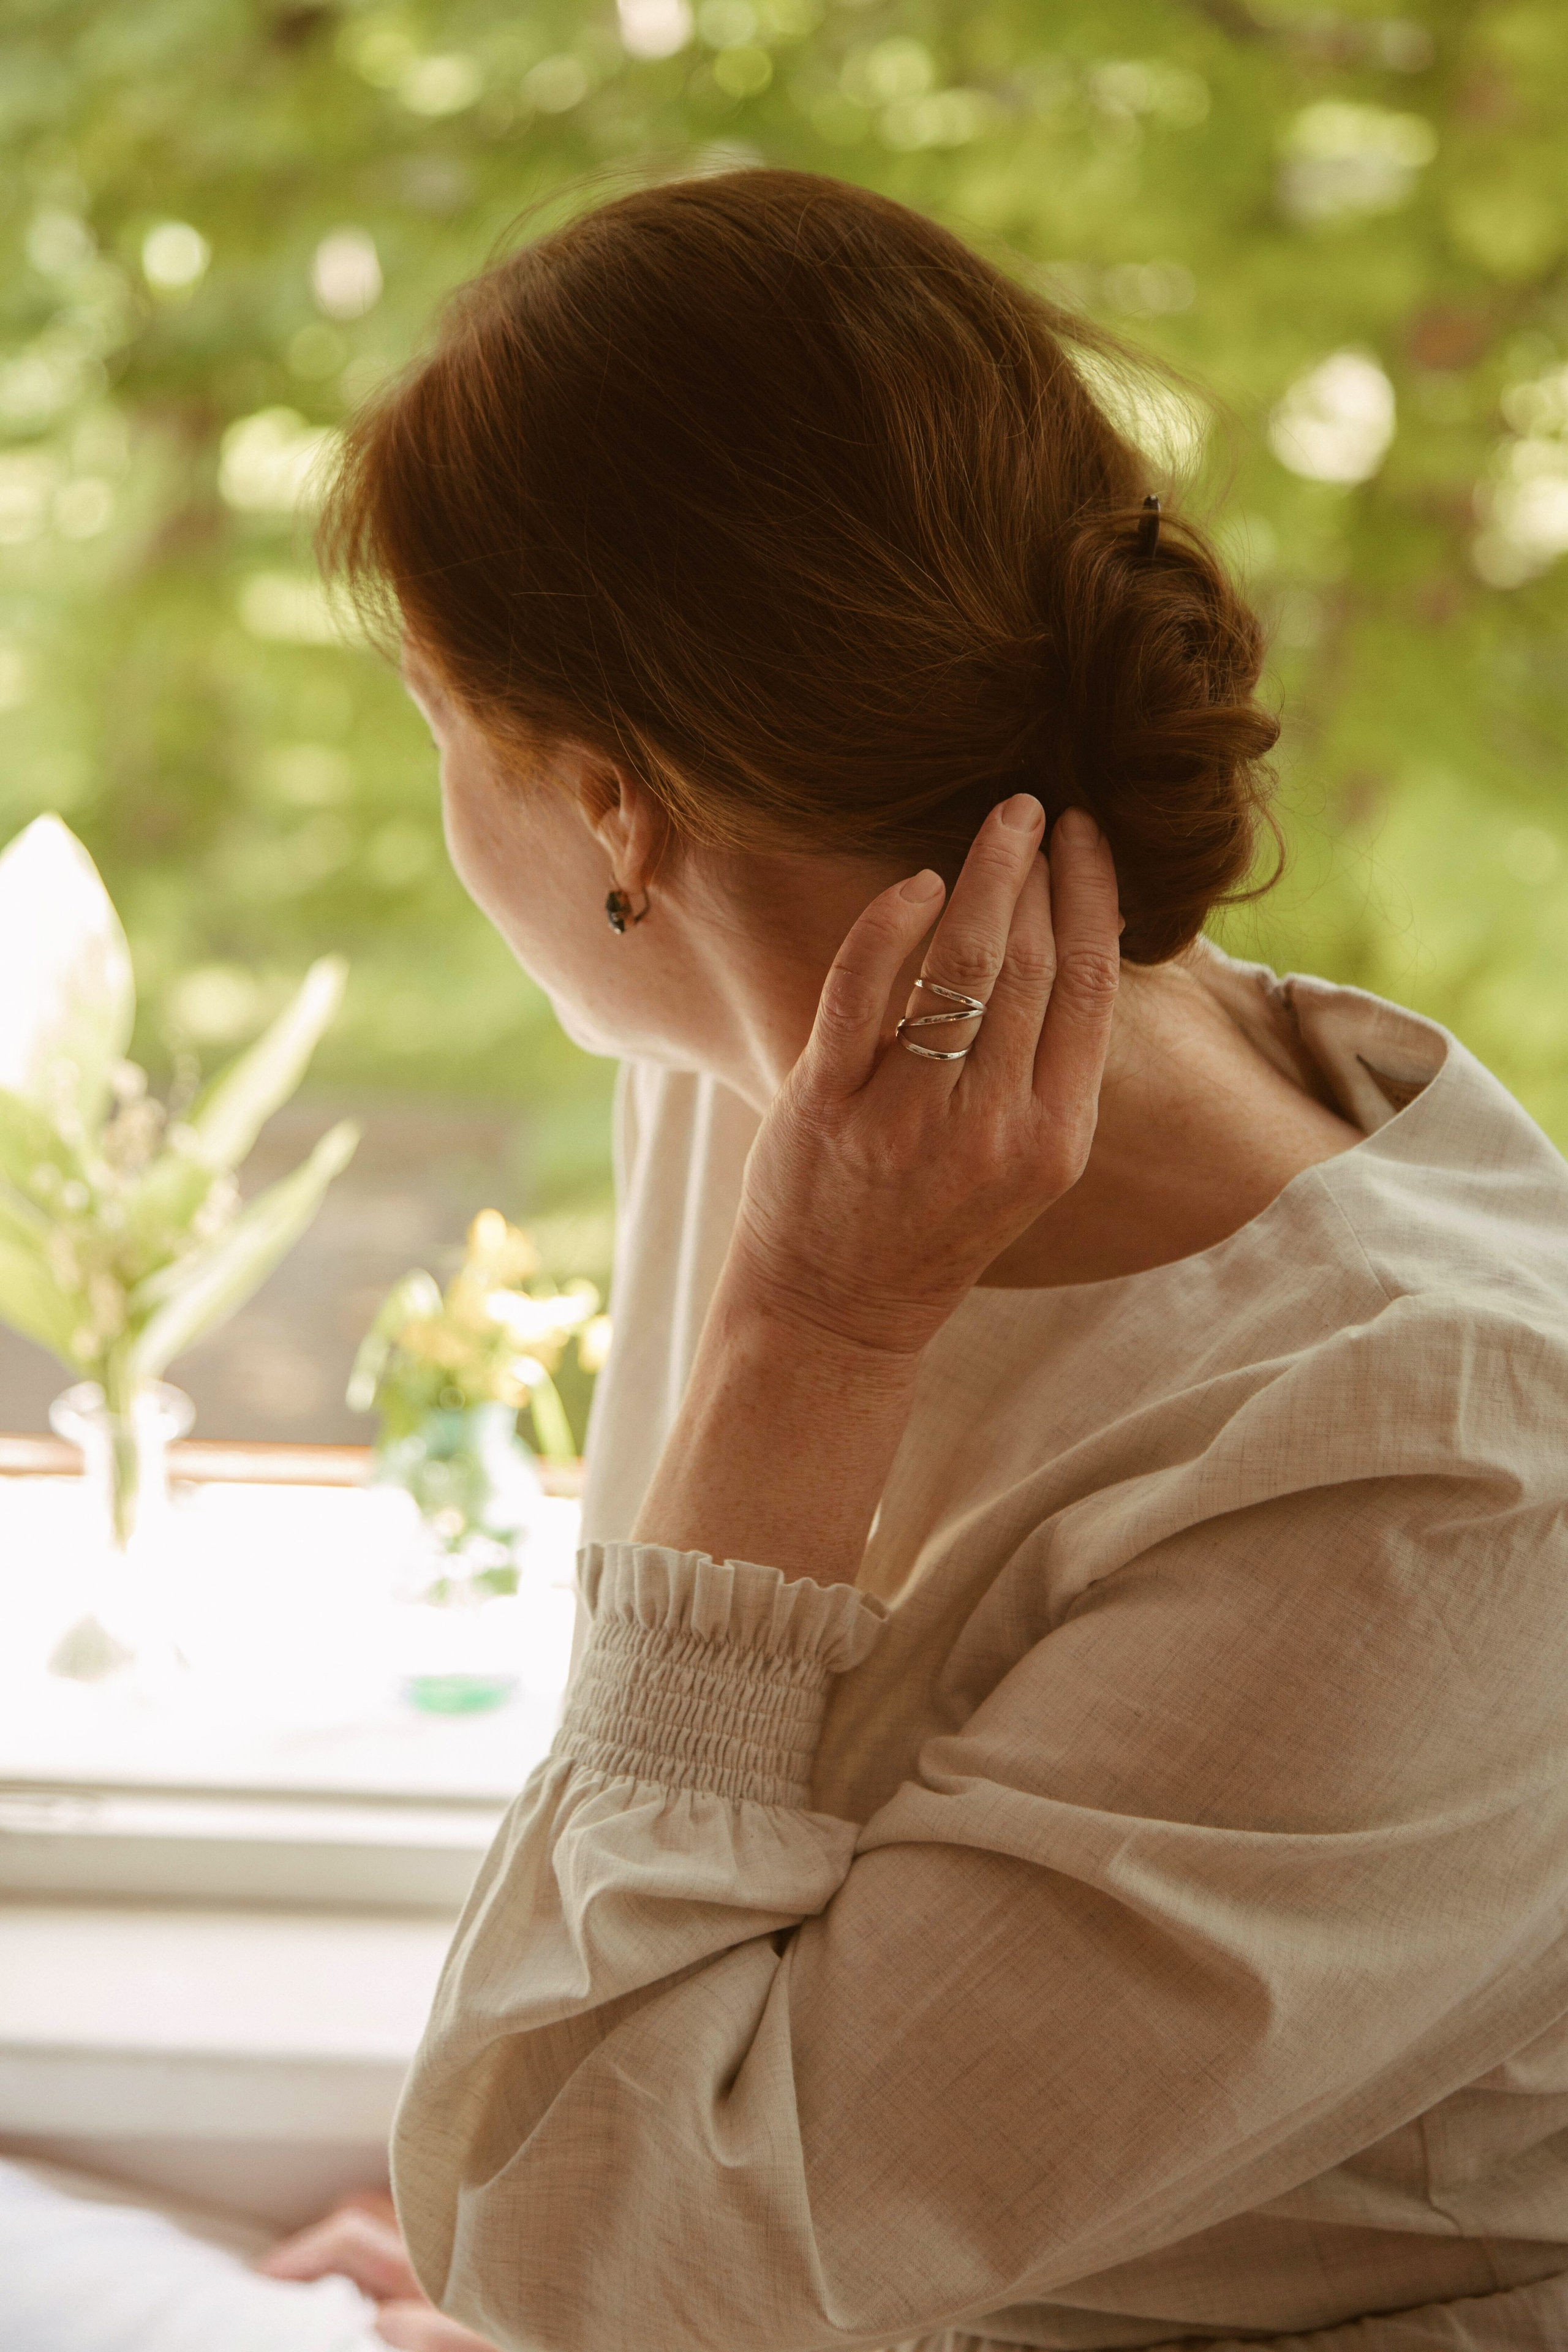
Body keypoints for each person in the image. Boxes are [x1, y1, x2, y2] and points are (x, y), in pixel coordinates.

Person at [318, 170, 1568, 2351]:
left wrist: (813, 1355)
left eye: (436, 720)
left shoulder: (1448, 1481)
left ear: (619, 814)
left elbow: (591, 2265)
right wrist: (578, 2148)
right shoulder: (766, 1089)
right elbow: (589, 2193)